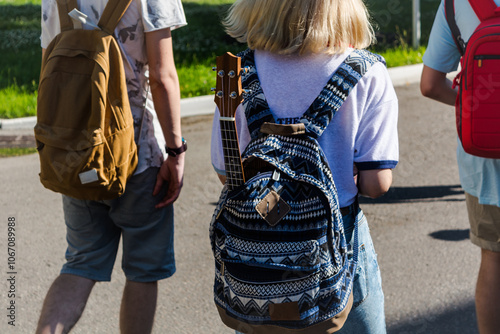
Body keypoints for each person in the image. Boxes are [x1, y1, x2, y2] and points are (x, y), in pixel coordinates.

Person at [210, 0, 399, 332]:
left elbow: (228, 173)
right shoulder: (366, 72)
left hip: (255, 252)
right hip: (336, 240)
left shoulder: (237, 73)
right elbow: (376, 184)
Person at [36, 0, 186, 333]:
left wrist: (55, 145)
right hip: (138, 155)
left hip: (79, 153)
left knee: (80, 263)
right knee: (143, 271)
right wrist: (176, 151)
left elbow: (48, 72)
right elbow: (163, 78)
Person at [421, 0, 500, 333]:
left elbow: (429, 84)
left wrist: (474, 103)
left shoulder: (456, 4)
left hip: (485, 162)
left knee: (494, 260)